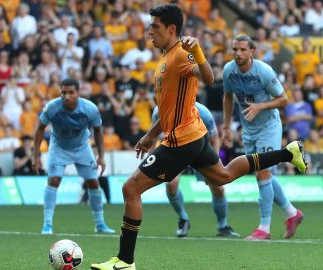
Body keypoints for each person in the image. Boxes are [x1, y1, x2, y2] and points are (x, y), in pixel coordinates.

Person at [91, 5, 307, 270]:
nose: (149, 32)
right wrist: (150, 135)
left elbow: (208, 76)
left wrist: (198, 52)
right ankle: (289, 152)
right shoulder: (167, 56)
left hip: (181, 141)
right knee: (224, 175)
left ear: (171, 29)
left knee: (130, 188)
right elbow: (170, 109)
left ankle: (125, 261)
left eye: (155, 27)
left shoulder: (181, 54)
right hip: (192, 135)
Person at [222, 34, 304, 240]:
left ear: (252, 51)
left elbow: (283, 99)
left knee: (262, 173)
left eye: (242, 50)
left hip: (269, 126)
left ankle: (264, 228)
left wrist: (261, 106)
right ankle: (293, 214)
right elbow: (227, 96)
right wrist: (226, 127)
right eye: (235, 50)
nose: (238, 54)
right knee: (263, 173)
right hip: (249, 129)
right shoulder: (228, 71)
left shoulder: (264, 72)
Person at [33, 78, 115, 235]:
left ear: (78, 93)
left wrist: (101, 156)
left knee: (93, 182)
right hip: (59, 147)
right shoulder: (52, 107)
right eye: (64, 92)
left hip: (82, 147)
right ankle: (47, 224)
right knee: (53, 180)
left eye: (71, 92)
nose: (67, 96)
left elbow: (98, 131)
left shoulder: (90, 109)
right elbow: (39, 129)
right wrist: (35, 156)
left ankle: (100, 224)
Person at [152, 103, 239, 238]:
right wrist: (151, 157)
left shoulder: (203, 112)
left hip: (201, 150)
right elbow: (155, 136)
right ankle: (183, 219)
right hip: (175, 150)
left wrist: (214, 166)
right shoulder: (159, 111)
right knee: (171, 184)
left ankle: (223, 226)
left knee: (218, 187)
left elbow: (215, 141)